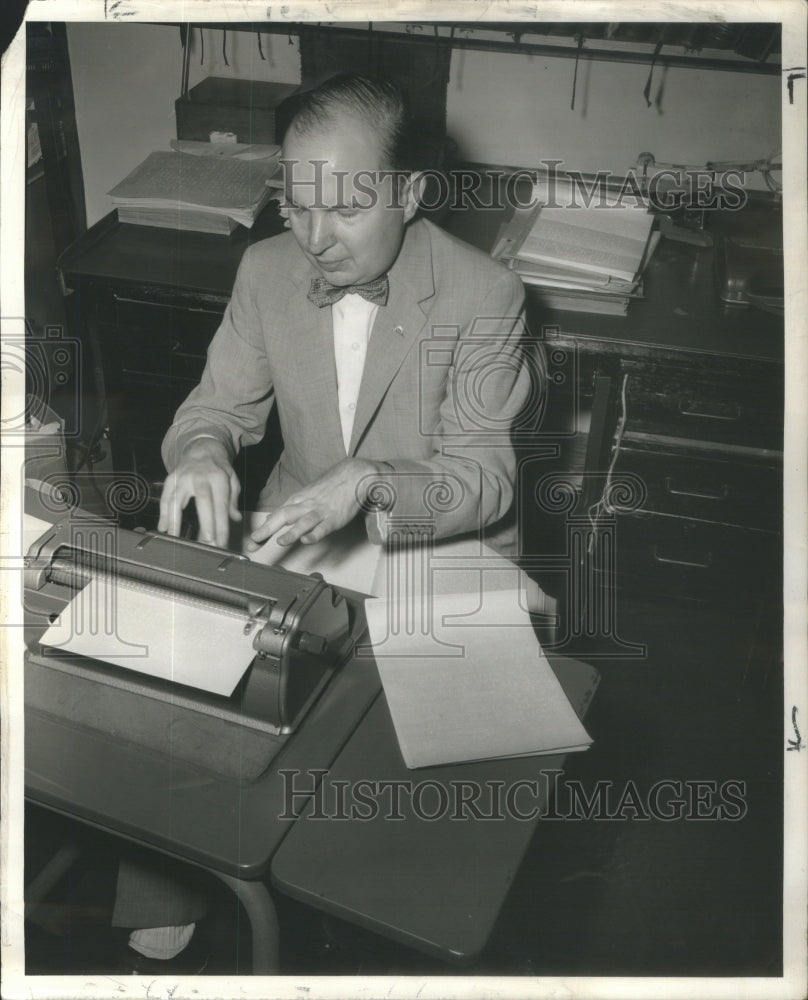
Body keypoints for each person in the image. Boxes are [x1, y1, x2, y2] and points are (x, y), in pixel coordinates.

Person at [114, 72, 535, 973]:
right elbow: (214, 408)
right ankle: (176, 876)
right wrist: (202, 450)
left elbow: (486, 478)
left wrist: (372, 483)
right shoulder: (267, 270)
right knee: (180, 698)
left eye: (345, 209)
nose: (315, 238)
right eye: (295, 207)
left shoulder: (484, 293)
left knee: (439, 801)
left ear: (410, 193)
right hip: (302, 525)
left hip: (440, 541)